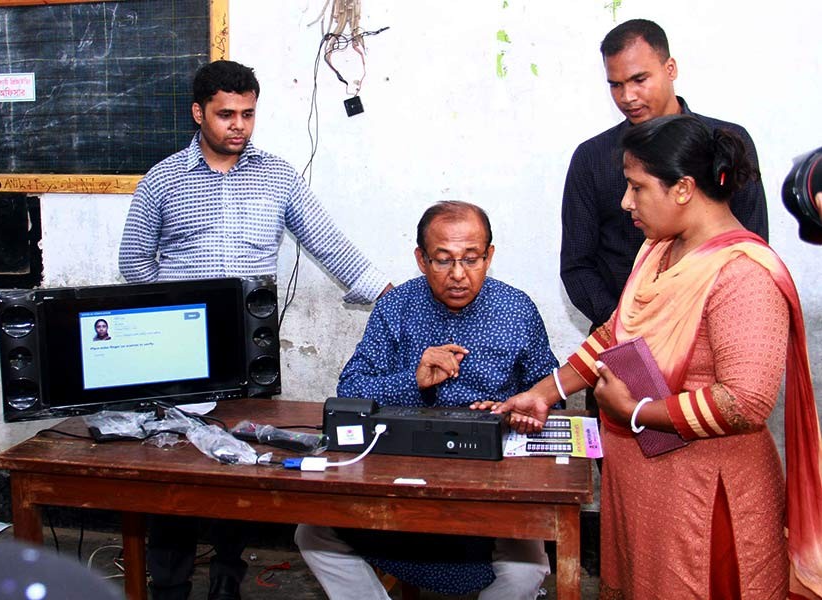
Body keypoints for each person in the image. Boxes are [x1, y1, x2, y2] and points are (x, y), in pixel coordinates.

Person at [476, 115, 822, 599]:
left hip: (706, 493)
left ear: (682, 188)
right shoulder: (657, 250)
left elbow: (746, 401)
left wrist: (635, 412)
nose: (625, 202)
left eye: (637, 188)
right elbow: (617, 334)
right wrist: (542, 393)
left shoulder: (744, 275)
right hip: (645, 482)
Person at [118, 59, 391, 600]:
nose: (238, 125)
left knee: (242, 465)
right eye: (225, 115)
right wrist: (168, 324)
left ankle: (227, 577)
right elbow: (134, 263)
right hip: (179, 355)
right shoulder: (162, 180)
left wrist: (396, 300)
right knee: (173, 469)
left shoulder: (277, 175)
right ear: (199, 114)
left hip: (249, 350)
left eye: (247, 114)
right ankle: (169, 584)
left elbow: (329, 245)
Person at [295, 201, 557, 600]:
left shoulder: (516, 309)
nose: (458, 275)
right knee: (312, 533)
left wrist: (519, 412)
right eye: (442, 260)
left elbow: (550, 399)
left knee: (527, 570)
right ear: (420, 259)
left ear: (490, 256)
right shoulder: (396, 307)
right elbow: (349, 390)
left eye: (471, 260)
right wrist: (411, 381)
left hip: (492, 485)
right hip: (402, 479)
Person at [560, 18, 768, 347]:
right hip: (619, 345)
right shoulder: (593, 158)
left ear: (670, 68)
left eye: (639, 79)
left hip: (712, 343)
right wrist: (627, 329)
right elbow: (577, 266)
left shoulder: (725, 141)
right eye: (615, 85)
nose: (627, 96)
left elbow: (752, 247)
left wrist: (692, 337)